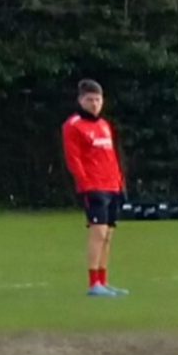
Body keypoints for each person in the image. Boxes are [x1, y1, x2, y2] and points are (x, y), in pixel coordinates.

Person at [62, 79, 127, 297]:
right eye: (89, 99)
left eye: (98, 99)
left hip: (112, 185)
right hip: (93, 186)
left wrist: (120, 183)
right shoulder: (73, 125)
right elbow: (74, 159)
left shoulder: (104, 125)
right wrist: (85, 183)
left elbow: (111, 157)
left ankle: (103, 280)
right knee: (97, 232)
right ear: (80, 100)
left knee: (108, 235)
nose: (94, 104)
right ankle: (93, 284)